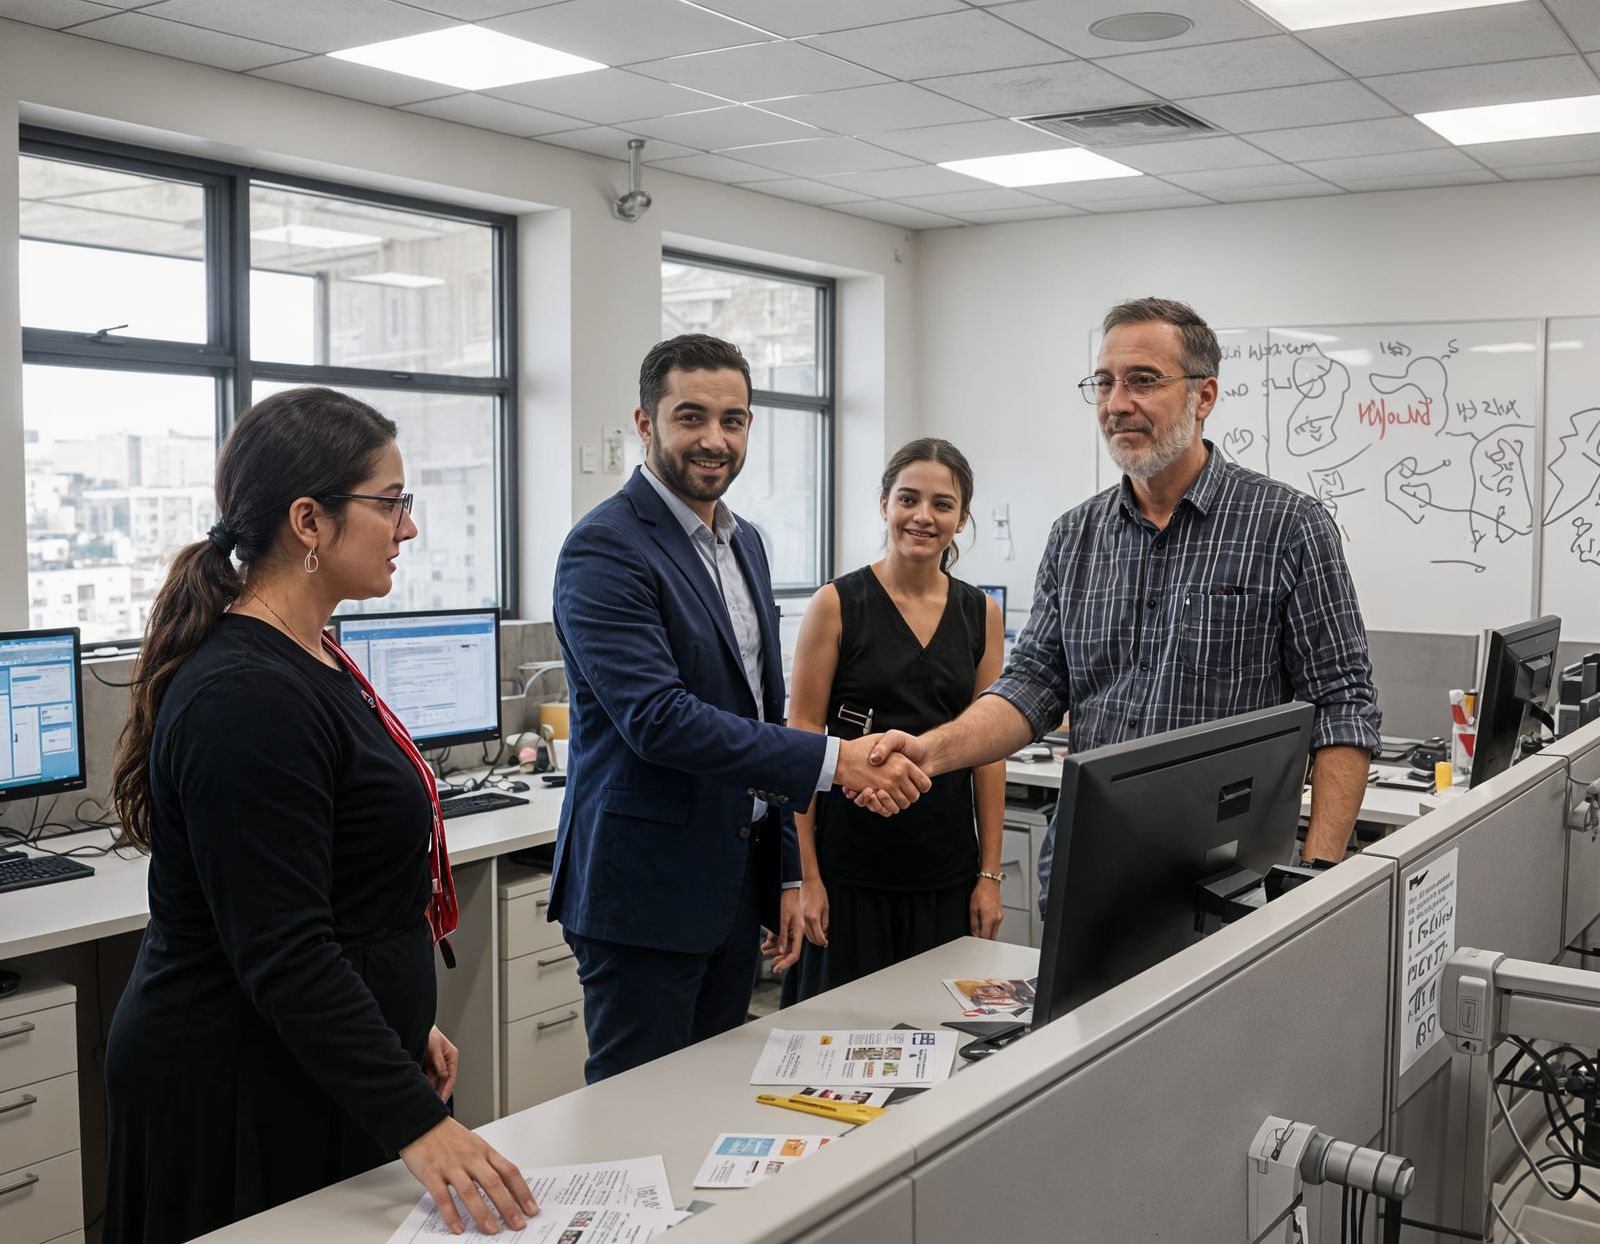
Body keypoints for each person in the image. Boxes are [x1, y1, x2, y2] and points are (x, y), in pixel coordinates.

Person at [104, 388, 536, 1243]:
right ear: (309, 520)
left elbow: (340, 886)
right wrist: (419, 1122)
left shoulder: (311, 653)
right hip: (234, 1084)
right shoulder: (244, 697)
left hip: (303, 1060)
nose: (407, 529)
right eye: (390, 504)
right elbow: (286, 949)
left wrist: (403, 1021)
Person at [864, 297, 1381, 902]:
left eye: (1143, 381)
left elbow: (1342, 704)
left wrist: (1318, 878)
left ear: (1204, 397)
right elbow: (1032, 685)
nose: (1116, 404)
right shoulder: (1074, 536)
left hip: (1227, 879)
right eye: (1104, 383)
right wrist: (933, 749)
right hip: (1090, 871)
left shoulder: (1288, 527)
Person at [549, 333, 931, 1083]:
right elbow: (658, 718)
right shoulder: (605, 548)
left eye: (735, 419)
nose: (714, 440)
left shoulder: (745, 543)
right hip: (646, 894)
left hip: (733, 885)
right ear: (644, 422)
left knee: (714, 1103)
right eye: (691, 417)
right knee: (637, 1116)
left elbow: (764, 708)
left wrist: (787, 873)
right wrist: (836, 761)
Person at [781, 439, 1005, 1004]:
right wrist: (805, 876)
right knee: (839, 1045)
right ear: (884, 504)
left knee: (937, 1038)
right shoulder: (836, 604)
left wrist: (989, 875)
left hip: (945, 873)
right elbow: (800, 739)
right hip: (847, 874)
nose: (923, 517)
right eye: (908, 499)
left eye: (942, 504)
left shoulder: (981, 613)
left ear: (962, 517)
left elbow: (989, 748)